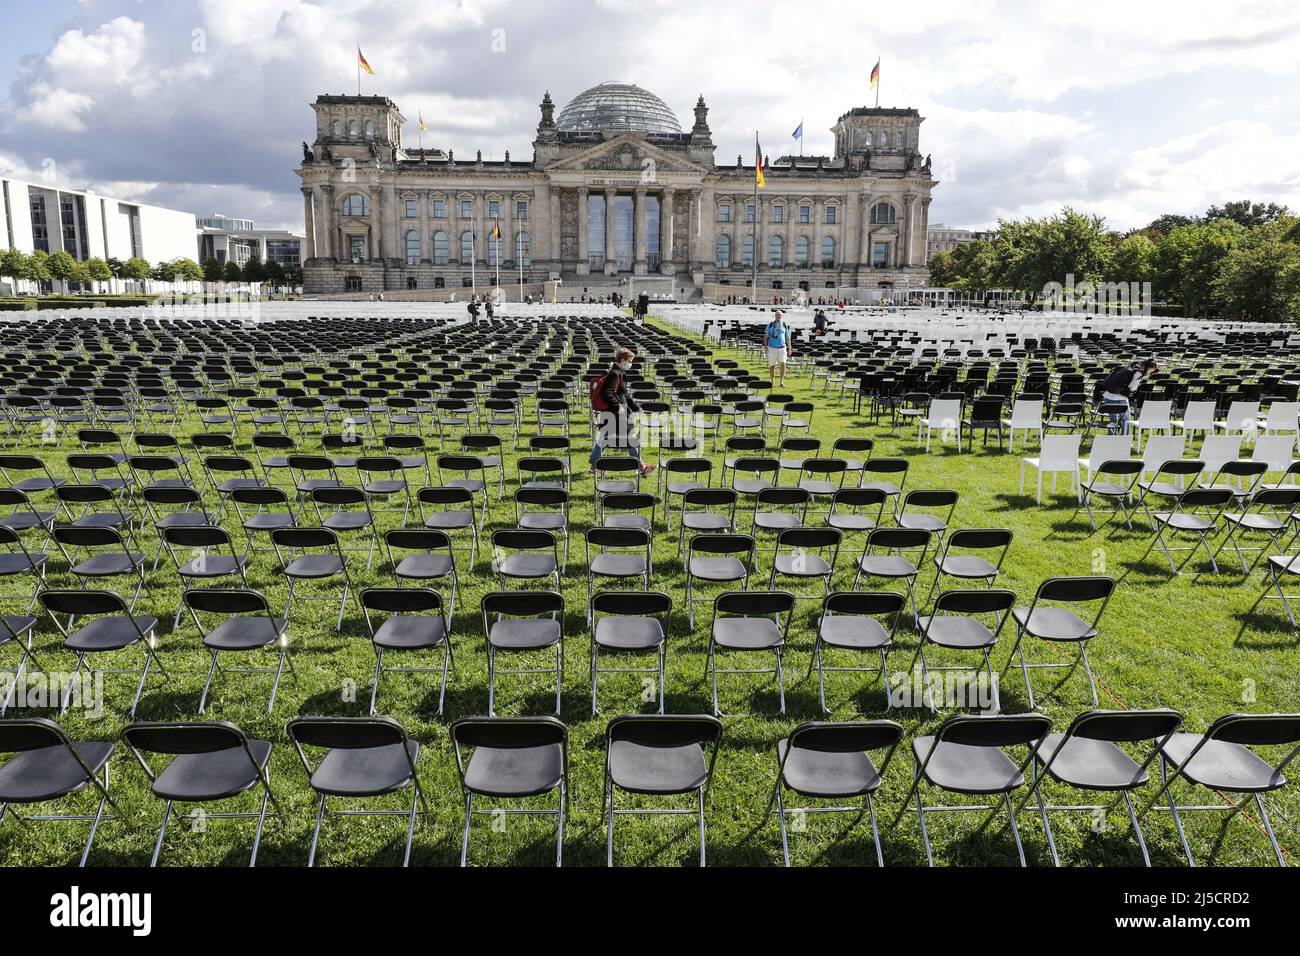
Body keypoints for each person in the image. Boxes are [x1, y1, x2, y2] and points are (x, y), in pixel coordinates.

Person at [590, 346, 655, 477]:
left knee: (604, 438)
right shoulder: (614, 373)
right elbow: (606, 393)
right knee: (627, 438)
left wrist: (636, 407)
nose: (630, 364)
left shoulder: (620, 372)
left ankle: (594, 466)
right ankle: (642, 467)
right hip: (615, 413)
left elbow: (625, 394)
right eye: (629, 361)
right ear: (623, 360)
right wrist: (617, 406)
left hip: (617, 412)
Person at [1097, 357, 1157, 433]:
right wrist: (1136, 389)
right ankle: (1125, 438)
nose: (1152, 372)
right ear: (1150, 368)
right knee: (1126, 419)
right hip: (1120, 398)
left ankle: (1111, 437)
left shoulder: (1131, 367)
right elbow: (1132, 388)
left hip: (1108, 395)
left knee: (1113, 420)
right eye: (1153, 370)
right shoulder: (1139, 373)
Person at [764, 310, 793, 385]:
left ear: (781, 316)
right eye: (777, 315)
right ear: (775, 316)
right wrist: (765, 346)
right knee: (772, 365)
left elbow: (787, 337)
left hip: (782, 348)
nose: (778, 316)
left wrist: (789, 348)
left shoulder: (784, 325)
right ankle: (772, 381)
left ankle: (781, 382)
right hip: (772, 348)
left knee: (783, 363)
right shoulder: (770, 325)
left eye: (779, 315)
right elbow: (766, 337)